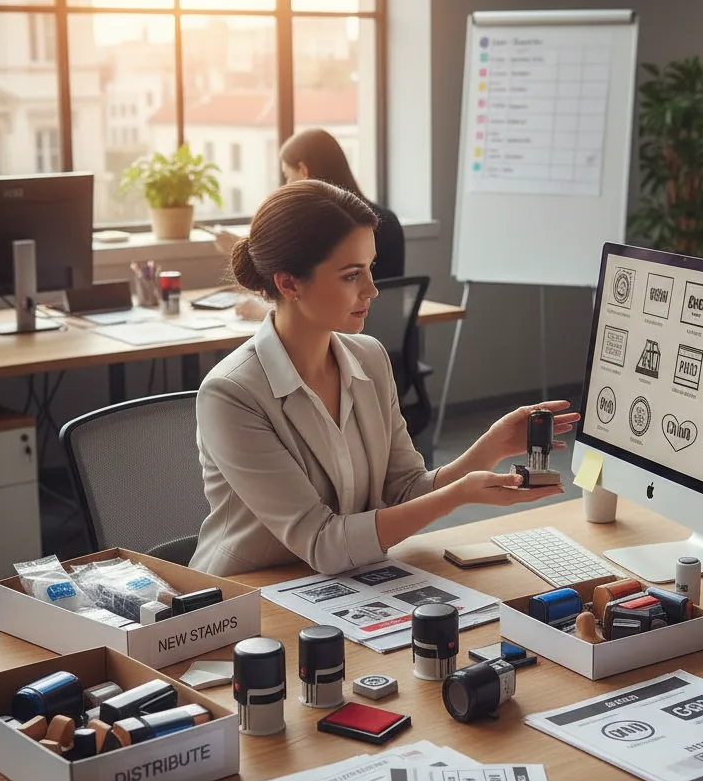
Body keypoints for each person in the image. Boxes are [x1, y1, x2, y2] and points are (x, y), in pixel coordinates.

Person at [190, 179, 575, 577]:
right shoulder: (230, 394)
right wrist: (457, 496)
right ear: (288, 283)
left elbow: (405, 489)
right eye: (351, 275)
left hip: (343, 585)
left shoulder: (369, 358)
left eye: (370, 268)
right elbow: (323, 543)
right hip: (249, 598)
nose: (372, 289)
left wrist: (490, 447)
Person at [215, 128, 405, 320]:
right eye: (352, 274)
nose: (372, 290)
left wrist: (267, 313)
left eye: (287, 176)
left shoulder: (330, 232)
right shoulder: (386, 219)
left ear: (304, 171)